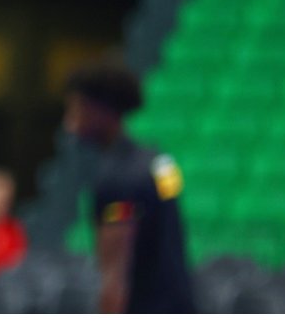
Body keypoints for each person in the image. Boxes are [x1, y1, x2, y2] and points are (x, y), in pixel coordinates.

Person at [63, 61, 196, 313]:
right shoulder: (162, 162)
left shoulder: (117, 181)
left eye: (76, 108)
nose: (68, 122)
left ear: (100, 110)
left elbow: (115, 275)